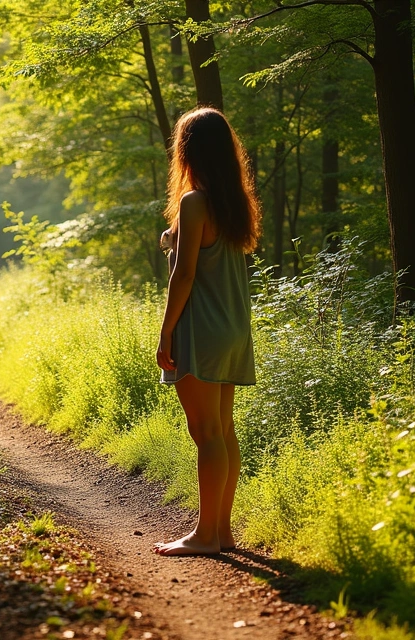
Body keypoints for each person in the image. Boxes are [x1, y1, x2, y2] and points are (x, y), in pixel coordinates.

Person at [153, 107, 261, 556]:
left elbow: (184, 276)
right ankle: (222, 532)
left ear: (187, 150)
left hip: (202, 328)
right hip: (233, 328)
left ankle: (204, 536)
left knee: (207, 434)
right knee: (224, 432)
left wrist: (165, 333)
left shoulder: (194, 201)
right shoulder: (234, 204)